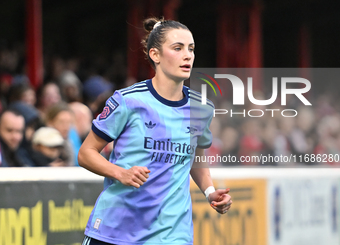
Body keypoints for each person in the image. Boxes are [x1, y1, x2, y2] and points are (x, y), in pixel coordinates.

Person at [78, 17, 232, 245]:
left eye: (191, 49)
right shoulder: (128, 100)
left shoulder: (202, 108)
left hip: (172, 233)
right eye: (177, 48)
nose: (187, 55)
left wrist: (210, 191)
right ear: (155, 55)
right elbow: (86, 153)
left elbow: (196, 156)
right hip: (116, 230)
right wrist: (121, 173)